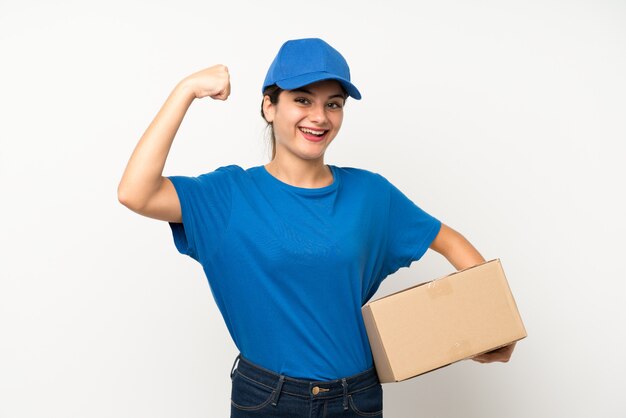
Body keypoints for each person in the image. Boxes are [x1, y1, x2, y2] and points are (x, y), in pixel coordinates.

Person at [118, 37, 516, 418]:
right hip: (267, 399)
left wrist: (489, 324)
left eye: (334, 104)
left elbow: (448, 240)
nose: (320, 117)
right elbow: (135, 192)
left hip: (356, 398)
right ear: (269, 106)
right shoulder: (228, 194)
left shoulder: (370, 194)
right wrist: (185, 90)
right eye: (302, 100)